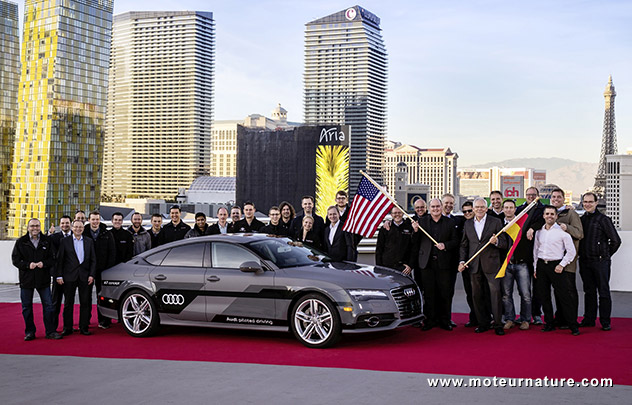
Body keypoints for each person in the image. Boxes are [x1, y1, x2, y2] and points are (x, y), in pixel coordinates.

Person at [459, 197, 509, 335]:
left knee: (495, 294)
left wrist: (497, 241)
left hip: (492, 264)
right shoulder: (468, 224)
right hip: (474, 265)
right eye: (477, 207)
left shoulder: (496, 222)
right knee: (477, 295)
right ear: (473, 209)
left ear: (486, 209)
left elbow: (504, 243)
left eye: (482, 207)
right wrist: (462, 261)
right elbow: (464, 245)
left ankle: (498, 324)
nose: (479, 209)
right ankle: (483, 323)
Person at [410, 199, 459, 331]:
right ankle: (430, 320)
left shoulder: (450, 222)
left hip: (444, 264)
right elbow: (415, 242)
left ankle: (445, 320)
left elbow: (455, 241)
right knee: (429, 294)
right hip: (427, 263)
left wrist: (446, 245)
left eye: (438, 206)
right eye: (433, 207)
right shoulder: (422, 222)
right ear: (429, 208)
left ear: (442, 207)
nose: (436, 209)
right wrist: (415, 231)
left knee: (445, 294)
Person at [12, 219, 62, 340]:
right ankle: (30, 332)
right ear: (28, 227)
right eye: (32, 226)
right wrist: (27, 265)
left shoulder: (47, 241)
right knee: (26, 307)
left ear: (40, 227)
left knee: (49, 306)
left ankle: (50, 331)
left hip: (43, 279)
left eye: (37, 226)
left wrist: (43, 264)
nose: (35, 228)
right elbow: (15, 260)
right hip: (26, 280)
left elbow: (53, 258)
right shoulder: (21, 242)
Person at [533, 206, 579, 335]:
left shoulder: (562, 233)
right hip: (542, 265)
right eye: (547, 214)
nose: (549, 216)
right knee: (544, 296)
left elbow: (571, 252)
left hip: (556, 266)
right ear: (543, 216)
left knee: (564, 297)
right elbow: (535, 251)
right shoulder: (539, 232)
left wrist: (562, 265)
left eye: (552, 214)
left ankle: (573, 325)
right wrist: (536, 267)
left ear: (556, 216)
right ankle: (549, 323)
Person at [578, 192, 621, 331]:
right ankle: (589, 319)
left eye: (590, 201)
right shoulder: (582, 220)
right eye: (585, 202)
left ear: (596, 203)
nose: (588, 204)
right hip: (585, 262)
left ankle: (605, 321)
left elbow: (615, 241)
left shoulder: (604, 220)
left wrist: (605, 255)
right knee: (589, 292)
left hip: (600, 262)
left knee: (603, 292)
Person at [56, 220, 97, 336]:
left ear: (83, 229)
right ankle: (67, 328)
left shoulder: (89, 241)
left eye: (80, 227)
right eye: (76, 227)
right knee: (68, 303)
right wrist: (59, 275)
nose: (78, 229)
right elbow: (60, 260)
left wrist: (91, 275)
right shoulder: (64, 241)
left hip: (85, 276)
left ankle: (83, 327)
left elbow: (93, 260)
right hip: (69, 276)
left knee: (85, 303)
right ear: (72, 228)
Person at [500, 200, 532, 331]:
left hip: (521, 264)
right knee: (506, 294)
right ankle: (509, 319)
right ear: (503, 209)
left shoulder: (522, 224)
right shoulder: (498, 224)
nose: (508, 210)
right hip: (506, 265)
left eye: (511, 207)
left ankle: (525, 319)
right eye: (506, 207)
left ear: (515, 209)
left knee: (525, 294)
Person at [84, 211, 116, 329]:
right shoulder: (84, 233)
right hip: (87, 271)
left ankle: (104, 320)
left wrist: (108, 270)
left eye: (97, 219)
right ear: (89, 220)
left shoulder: (106, 233)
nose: (95, 221)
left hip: (103, 271)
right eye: (93, 219)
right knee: (86, 296)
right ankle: (85, 320)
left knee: (102, 296)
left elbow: (112, 253)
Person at [520, 186, 546, 325]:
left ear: (538, 196)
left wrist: (533, 228)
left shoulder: (543, 210)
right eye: (528, 194)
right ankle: (524, 315)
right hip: (523, 255)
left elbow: (546, 219)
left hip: (538, 254)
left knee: (537, 288)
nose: (530, 197)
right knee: (524, 290)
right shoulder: (520, 209)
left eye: (533, 195)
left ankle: (537, 314)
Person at [457, 200, 480, 327]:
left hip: (481, 264)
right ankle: (474, 317)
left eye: (469, 211)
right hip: (466, 265)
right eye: (464, 211)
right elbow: (463, 245)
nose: (467, 213)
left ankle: (483, 317)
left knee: (480, 293)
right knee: (470, 293)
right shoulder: (462, 223)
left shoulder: (484, 222)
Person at [48, 215, 72, 331]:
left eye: (67, 223)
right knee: (55, 302)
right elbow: (53, 258)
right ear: (59, 224)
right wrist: (58, 274)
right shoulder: (54, 238)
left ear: (71, 224)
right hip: (58, 275)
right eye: (62, 223)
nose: (64, 225)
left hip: (71, 276)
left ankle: (68, 327)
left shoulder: (76, 237)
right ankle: (53, 327)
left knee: (69, 303)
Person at [375, 206, 414, 273]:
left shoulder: (409, 227)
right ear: (391, 214)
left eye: (399, 212)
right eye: (395, 213)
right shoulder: (385, 228)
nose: (397, 215)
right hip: (387, 266)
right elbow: (379, 248)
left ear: (403, 213)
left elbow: (413, 248)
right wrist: (379, 267)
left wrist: (410, 265)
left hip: (404, 267)